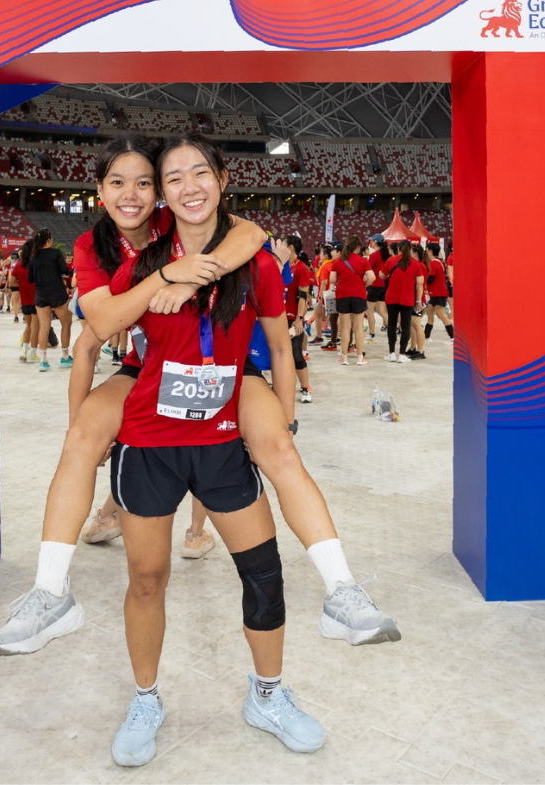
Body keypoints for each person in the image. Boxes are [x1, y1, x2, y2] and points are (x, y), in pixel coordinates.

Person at [0, 135, 397, 659]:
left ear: (159, 193)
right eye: (117, 183)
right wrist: (165, 276)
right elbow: (98, 331)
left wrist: (194, 278)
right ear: (99, 191)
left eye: (144, 183)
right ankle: (50, 592)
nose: (132, 195)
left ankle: (343, 591)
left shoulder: (174, 219)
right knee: (81, 441)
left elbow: (250, 233)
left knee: (278, 449)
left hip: (226, 367)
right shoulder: (94, 247)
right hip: (144, 366)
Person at [101, 134, 325, 764]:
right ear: (163, 195)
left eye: (202, 172)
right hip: (149, 443)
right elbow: (101, 326)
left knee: (263, 573)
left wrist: (280, 425)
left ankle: (268, 694)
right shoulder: (147, 262)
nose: (190, 186)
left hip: (225, 442)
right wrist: (162, 281)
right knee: (147, 578)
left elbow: (282, 348)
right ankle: (145, 698)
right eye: (174, 178)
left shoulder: (255, 262)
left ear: (223, 179)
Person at [27, 228, 73, 371]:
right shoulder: (55, 253)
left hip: (41, 294)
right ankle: (65, 357)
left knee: (44, 326)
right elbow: (65, 270)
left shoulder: (34, 257)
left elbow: (30, 279)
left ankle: (43, 361)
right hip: (57, 293)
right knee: (66, 324)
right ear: (49, 240)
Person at [276, 236, 313, 403]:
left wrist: (299, 318)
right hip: (278, 317)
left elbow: (303, 296)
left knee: (296, 353)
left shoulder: (301, 268)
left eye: (283, 244)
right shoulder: (281, 265)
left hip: (293, 318)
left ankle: (305, 388)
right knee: (279, 354)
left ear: (290, 247)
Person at [329, 236, 373, 366]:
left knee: (345, 327)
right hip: (358, 294)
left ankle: (344, 357)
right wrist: (363, 285)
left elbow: (332, 279)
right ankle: (360, 357)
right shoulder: (363, 261)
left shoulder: (338, 261)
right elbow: (372, 277)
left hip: (342, 294)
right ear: (358, 248)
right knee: (358, 327)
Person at [384, 244, 427, 363]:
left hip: (392, 298)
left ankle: (392, 353)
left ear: (398, 249)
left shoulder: (391, 260)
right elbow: (420, 283)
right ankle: (402, 354)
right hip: (408, 298)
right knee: (406, 326)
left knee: (392, 325)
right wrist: (418, 300)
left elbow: (381, 275)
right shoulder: (416, 264)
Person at [12, 240, 38, 357]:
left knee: (28, 326)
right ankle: (32, 353)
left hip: (25, 301)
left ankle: (24, 351)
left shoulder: (19, 265)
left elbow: (11, 281)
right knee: (35, 327)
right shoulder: (36, 263)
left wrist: (21, 285)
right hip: (37, 299)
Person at [422, 241, 453, 343]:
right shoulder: (438, 261)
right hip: (435, 293)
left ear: (430, 251)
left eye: (427, 250)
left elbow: (430, 279)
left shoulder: (434, 263)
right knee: (430, 313)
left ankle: (453, 337)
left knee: (442, 315)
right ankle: (426, 337)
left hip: (438, 293)